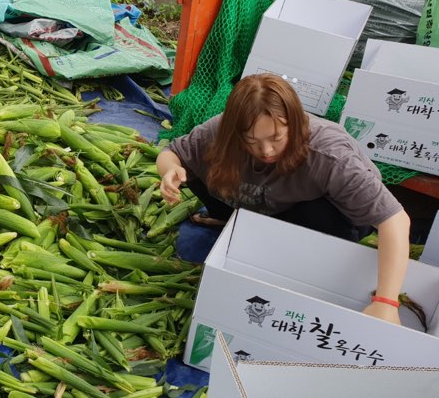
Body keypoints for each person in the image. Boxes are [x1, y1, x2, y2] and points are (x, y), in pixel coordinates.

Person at [158, 73, 410, 325]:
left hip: (317, 211)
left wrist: (386, 302)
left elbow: (395, 220)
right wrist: (170, 170)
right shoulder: (220, 132)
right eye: (252, 141)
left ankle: (307, 261)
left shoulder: (331, 156)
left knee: (316, 215)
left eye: (276, 138)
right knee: (198, 170)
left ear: (295, 124)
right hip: (262, 201)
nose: (266, 150)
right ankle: (238, 223)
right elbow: (173, 152)